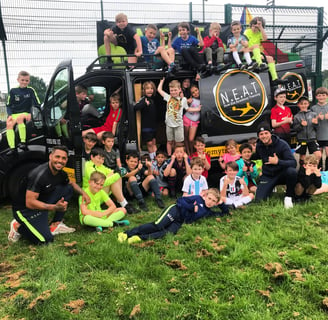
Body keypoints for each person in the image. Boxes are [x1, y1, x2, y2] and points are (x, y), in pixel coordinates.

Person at [8, 146, 90, 244]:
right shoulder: (38, 175)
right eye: (57, 157)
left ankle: (55, 224)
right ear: (50, 156)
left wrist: (84, 193)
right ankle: (17, 226)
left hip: (42, 202)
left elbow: (71, 183)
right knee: (45, 240)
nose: (60, 160)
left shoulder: (61, 173)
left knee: (67, 189)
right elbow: (30, 203)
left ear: (66, 160)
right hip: (25, 209)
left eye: (63, 158)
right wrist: (54, 207)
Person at [117, 188, 229, 244]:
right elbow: (180, 200)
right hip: (175, 210)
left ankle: (139, 237)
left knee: (168, 233)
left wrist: (221, 204)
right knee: (158, 225)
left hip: (179, 221)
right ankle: (126, 233)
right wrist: (191, 207)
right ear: (205, 196)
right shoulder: (197, 198)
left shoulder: (208, 211)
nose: (210, 202)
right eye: (209, 198)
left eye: (213, 201)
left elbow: (224, 213)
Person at [254, 122, 297, 208]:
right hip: (268, 176)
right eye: (261, 134)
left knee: (292, 171)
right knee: (259, 200)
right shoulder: (259, 146)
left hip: (282, 174)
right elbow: (256, 156)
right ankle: (269, 188)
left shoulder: (282, 144)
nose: (264, 136)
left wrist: (278, 162)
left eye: (266, 133)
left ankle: (288, 197)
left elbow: (293, 163)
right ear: (258, 136)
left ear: (271, 133)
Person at [83, 148, 136, 214]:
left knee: (116, 176)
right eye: (99, 158)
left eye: (102, 159)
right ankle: (124, 203)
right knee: (115, 177)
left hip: (99, 191)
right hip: (91, 195)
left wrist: (116, 171)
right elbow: (101, 183)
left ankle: (122, 202)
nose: (101, 161)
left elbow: (110, 172)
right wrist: (118, 174)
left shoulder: (100, 166)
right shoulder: (88, 166)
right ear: (92, 157)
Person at [6, 70, 41, 155]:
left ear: (29, 81)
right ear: (18, 80)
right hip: (14, 114)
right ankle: (12, 148)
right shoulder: (13, 91)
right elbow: (8, 105)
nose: (24, 82)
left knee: (20, 118)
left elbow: (37, 103)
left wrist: (31, 113)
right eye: (22, 80)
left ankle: (23, 143)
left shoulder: (31, 90)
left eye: (27, 80)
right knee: (9, 124)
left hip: (26, 113)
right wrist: (10, 115)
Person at [244, 17, 285, 86]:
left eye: (257, 27)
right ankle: (260, 64)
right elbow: (244, 45)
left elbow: (265, 39)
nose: (255, 28)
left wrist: (261, 28)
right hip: (248, 53)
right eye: (254, 26)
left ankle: (275, 79)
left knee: (270, 59)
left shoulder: (259, 33)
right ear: (251, 25)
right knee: (256, 46)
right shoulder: (247, 32)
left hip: (257, 54)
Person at [157, 78, 188, 156]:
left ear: (179, 89)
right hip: (169, 124)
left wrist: (197, 109)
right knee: (169, 141)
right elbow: (159, 90)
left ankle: (178, 155)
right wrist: (162, 81)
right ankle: (170, 156)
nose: (173, 92)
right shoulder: (168, 98)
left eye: (175, 90)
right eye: (171, 90)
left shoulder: (183, 99)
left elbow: (187, 108)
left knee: (179, 143)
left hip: (178, 125)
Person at [293, 96, 321, 166]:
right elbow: (295, 129)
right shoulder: (296, 116)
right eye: (301, 104)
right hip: (302, 140)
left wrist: (316, 123)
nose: (303, 105)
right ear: (298, 105)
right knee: (302, 158)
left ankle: (316, 169)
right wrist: (301, 125)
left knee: (318, 155)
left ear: (308, 104)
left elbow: (317, 128)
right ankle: (302, 172)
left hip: (312, 138)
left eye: (305, 103)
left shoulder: (313, 114)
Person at [134, 81, 158, 159]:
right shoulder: (144, 99)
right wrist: (144, 104)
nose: (150, 90)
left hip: (153, 126)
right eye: (147, 88)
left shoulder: (152, 100)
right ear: (143, 90)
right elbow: (135, 107)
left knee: (154, 142)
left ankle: (155, 158)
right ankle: (152, 159)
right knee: (149, 143)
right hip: (146, 126)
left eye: (151, 88)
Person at [311, 87, 328, 170]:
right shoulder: (313, 108)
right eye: (319, 95)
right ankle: (319, 172)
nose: (321, 97)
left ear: (327, 96)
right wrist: (316, 119)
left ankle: (327, 172)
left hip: (327, 135)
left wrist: (326, 117)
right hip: (318, 135)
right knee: (319, 155)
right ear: (316, 97)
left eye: (323, 95)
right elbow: (311, 122)